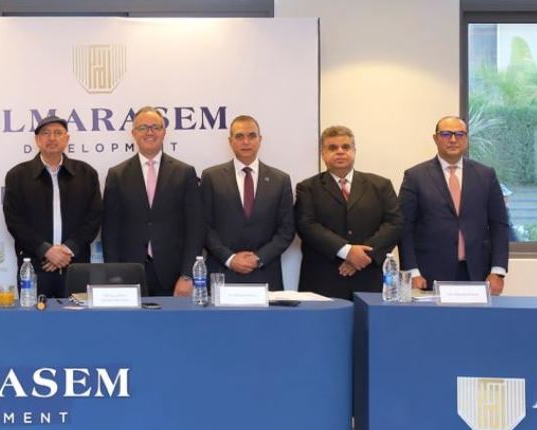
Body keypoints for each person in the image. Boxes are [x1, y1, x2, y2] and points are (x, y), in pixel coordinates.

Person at [399, 115, 510, 294]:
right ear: (435, 138)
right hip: (429, 273)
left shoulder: (486, 175)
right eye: (446, 134)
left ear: (466, 138)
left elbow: (499, 225)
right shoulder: (415, 177)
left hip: (478, 272)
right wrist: (412, 272)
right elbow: (405, 228)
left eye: (459, 134)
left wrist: (498, 271)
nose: (453, 139)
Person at [102, 106, 202, 296]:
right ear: (133, 133)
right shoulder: (117, 175)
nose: (149, 132)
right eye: (143, 128)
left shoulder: (185, 173)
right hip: (129, 274)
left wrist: (188, 275)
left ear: (164, 132)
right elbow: (110, 231)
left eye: (155, 127)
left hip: (174, 276)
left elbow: (195, 229)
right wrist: (114, 276)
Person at [295, 126, 403, 299]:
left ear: (354, 151)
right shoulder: (307, 188)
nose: (340, 152)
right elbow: (306, 225)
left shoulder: (381, 185)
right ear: (323, 154)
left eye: (345, 147)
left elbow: (394, 224)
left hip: (369, 278)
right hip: (323, 280)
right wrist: (346, 251)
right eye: (332, 148)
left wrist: (362, 256)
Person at [2, 115, 102, 298]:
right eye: (46, 133)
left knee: (78, 315)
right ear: (37, 140)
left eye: (58, 133)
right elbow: (14, 221)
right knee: (35, 315)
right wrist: (46, 250)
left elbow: (94, 218)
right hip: (34, 266)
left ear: (67, 138)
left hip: (75, 265)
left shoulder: (86, 174)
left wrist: (67, 250)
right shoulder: (18, 176)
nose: (52, 138)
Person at [200, 115, 295, 290]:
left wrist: (258, 258)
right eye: (239, 136)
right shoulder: (211, 177)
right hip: (222, 272)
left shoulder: (280, 180)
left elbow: (286, 230)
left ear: (260, 140)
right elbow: (204, 226)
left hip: (266, 273)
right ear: (230, 141)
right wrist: (230, 258)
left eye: (252, 136)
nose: (246, 142)